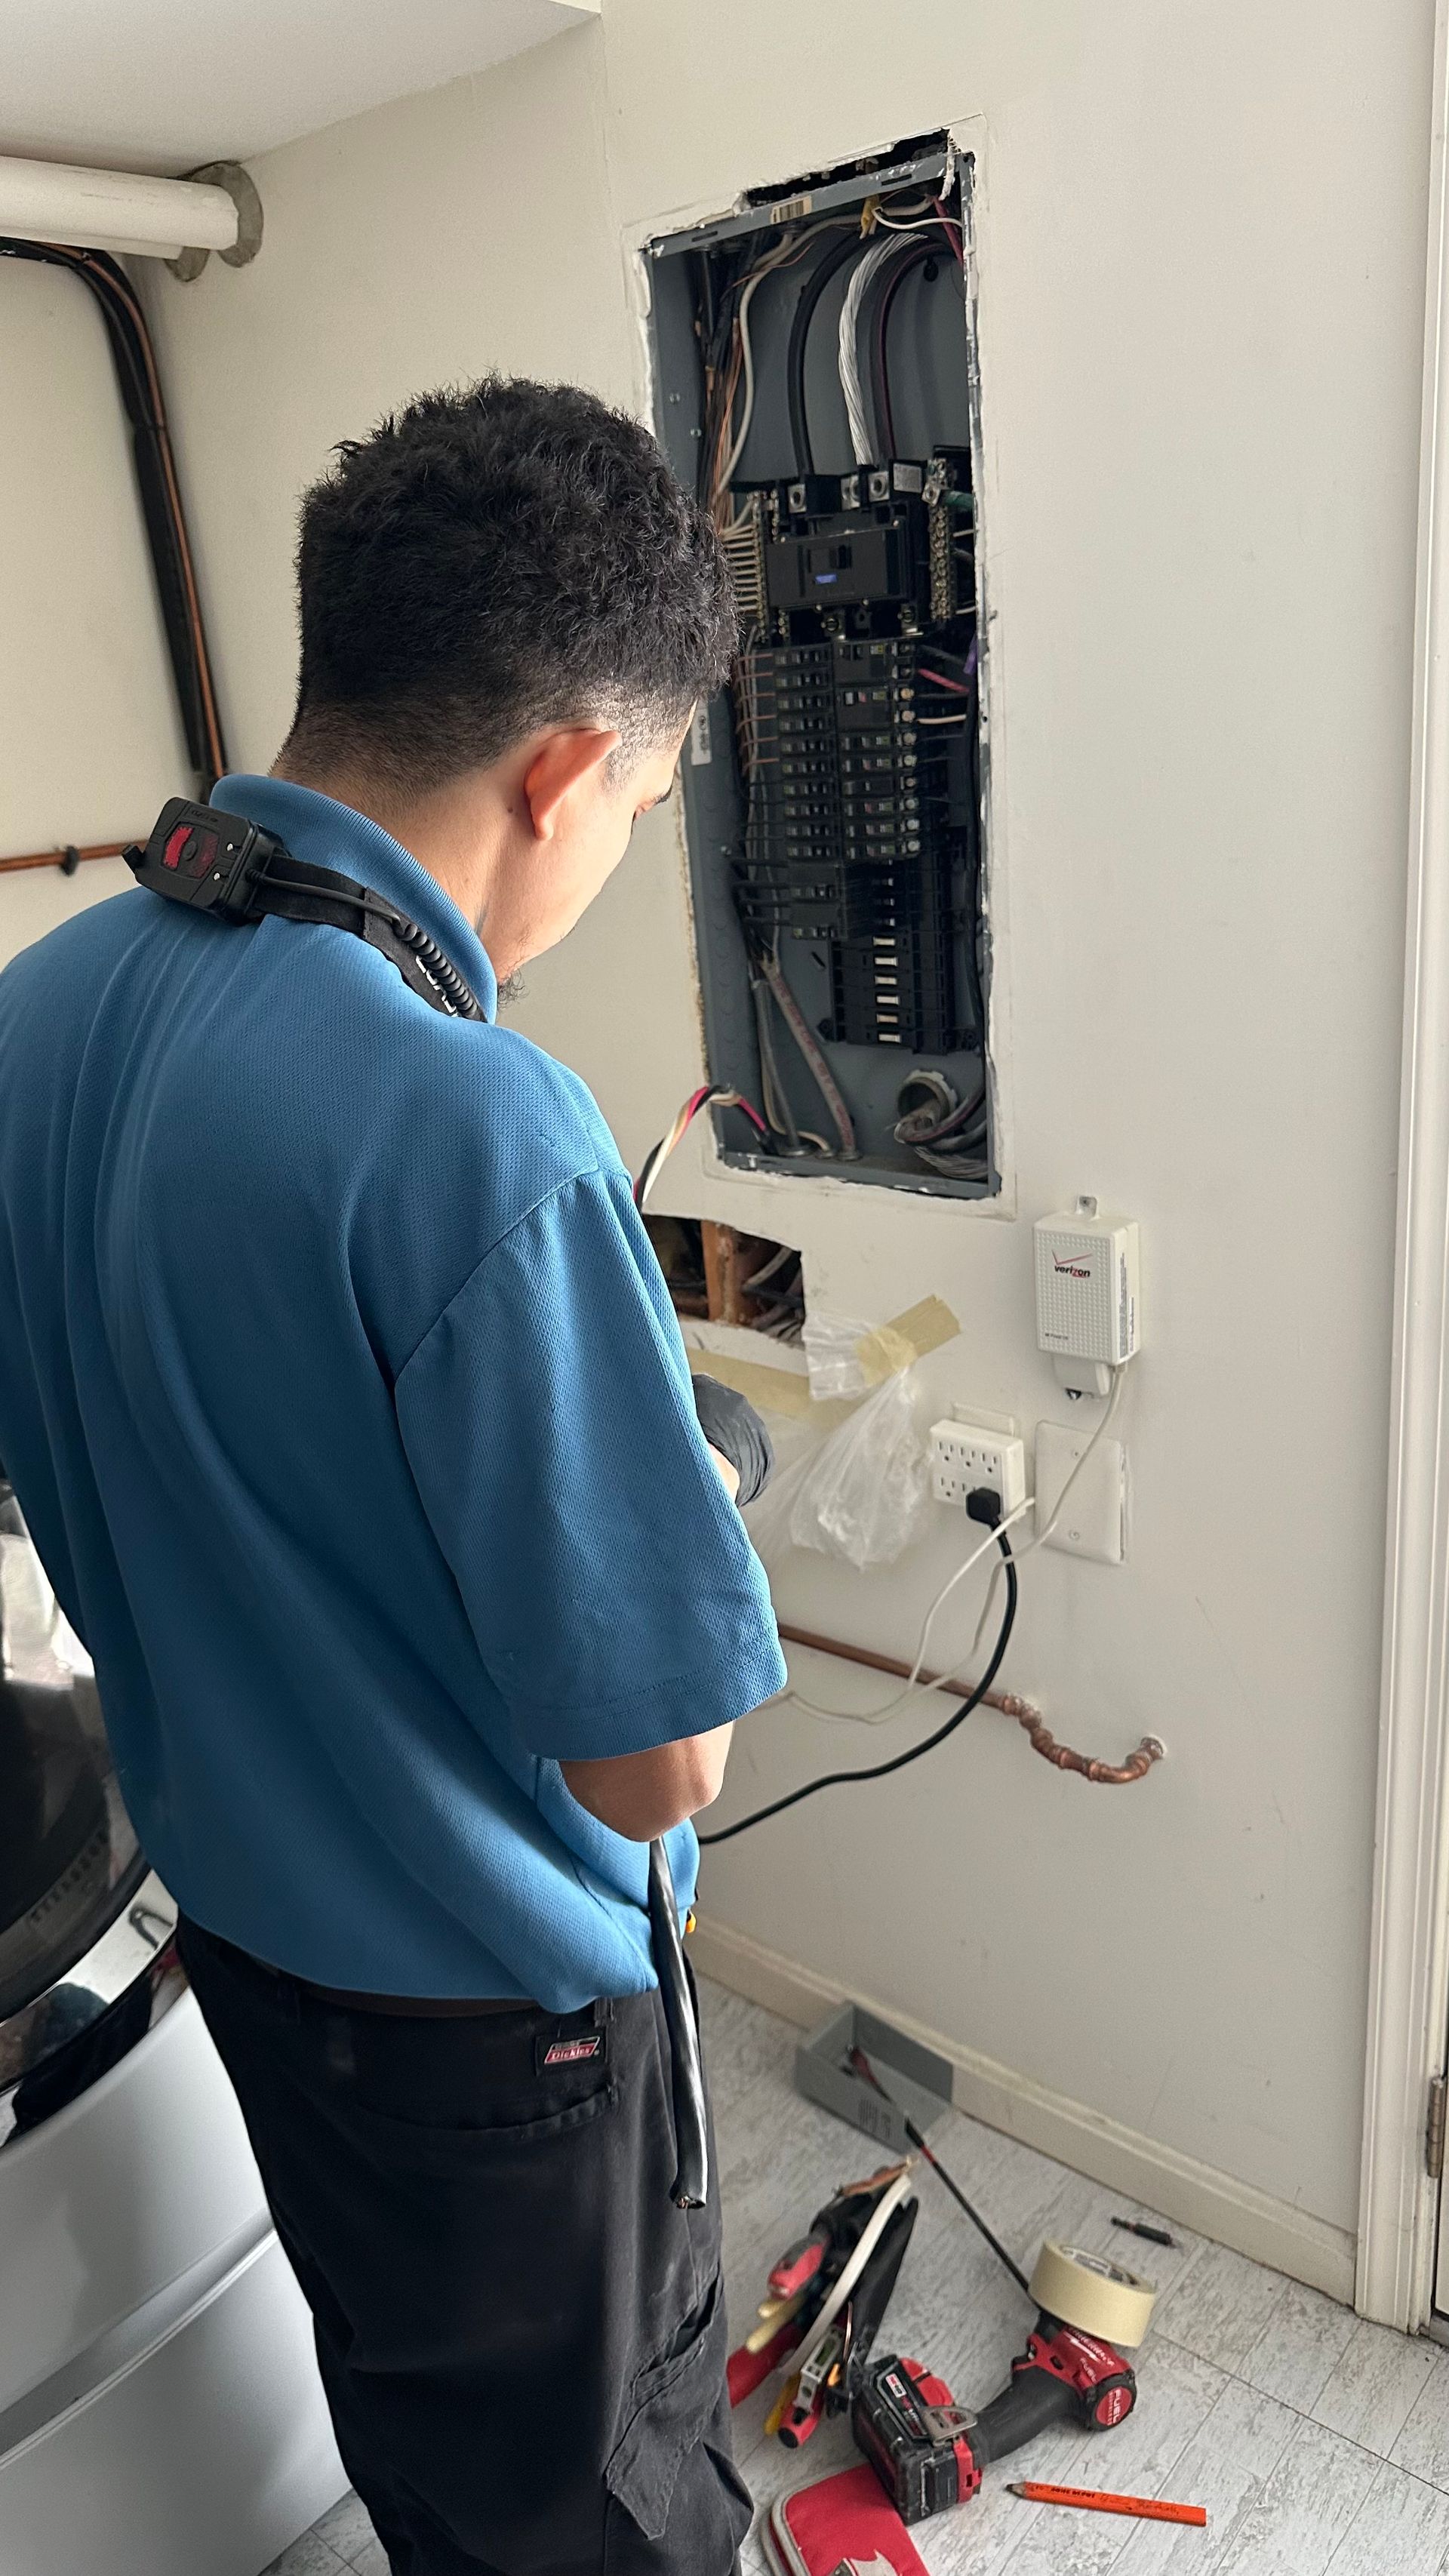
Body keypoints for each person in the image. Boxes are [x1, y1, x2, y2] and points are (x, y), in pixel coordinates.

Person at [0, 378, 787, 2575]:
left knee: (424, 2443)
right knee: (599, 2507)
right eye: (638, 798)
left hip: (250, 1946)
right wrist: (673, 1499)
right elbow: (656, 1766)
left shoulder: (38, 1016)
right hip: (494, 2034)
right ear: (562, 773)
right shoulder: (477, 1123)